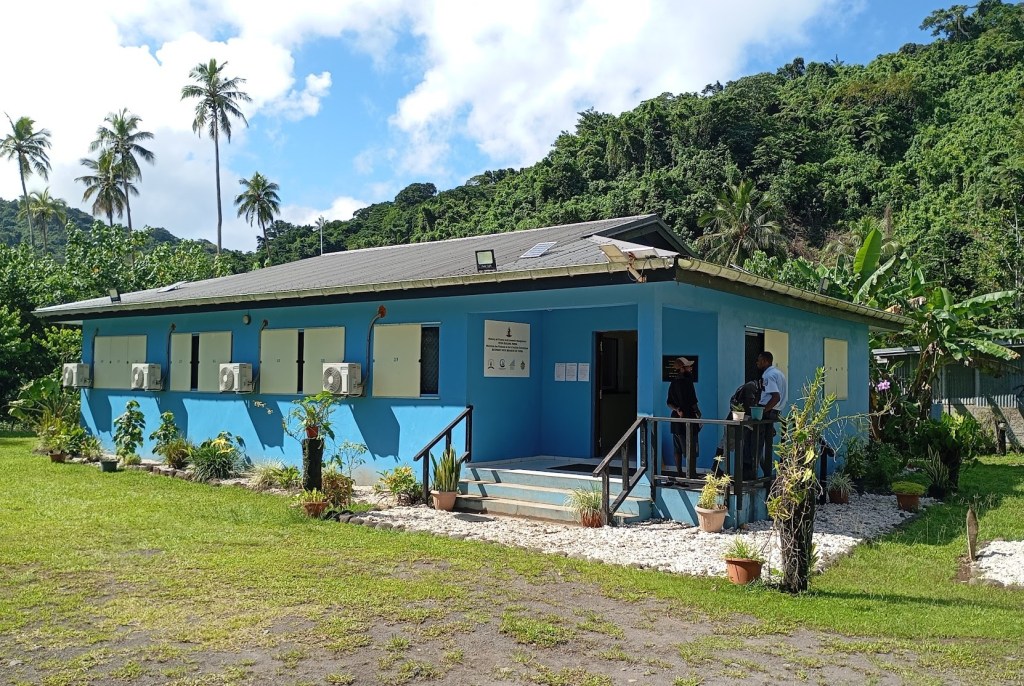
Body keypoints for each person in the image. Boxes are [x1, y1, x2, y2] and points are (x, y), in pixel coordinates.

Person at [755, 351, 788, 476]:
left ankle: (761, 474)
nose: (757, 362)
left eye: (759, 360)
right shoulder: (779, 373)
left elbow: (775, 397)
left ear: (765, 361)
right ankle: (766, 474)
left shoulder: (768, 376)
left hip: (768, 412)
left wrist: (762, 411)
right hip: (776, 412)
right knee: (764, 444)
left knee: (756, 444)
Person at [666, 357, 701, 471]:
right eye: (688, 367)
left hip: (676, 420)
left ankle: (680, 473)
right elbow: (692, 401)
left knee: (678, 449)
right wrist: (697, 412)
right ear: (682, 369)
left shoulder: (673, 383)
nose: (691, 369)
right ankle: (691, 474)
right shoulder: (687, 382)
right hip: (688, 418)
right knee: (691, 448)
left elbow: (669, 402)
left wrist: (677, 409)